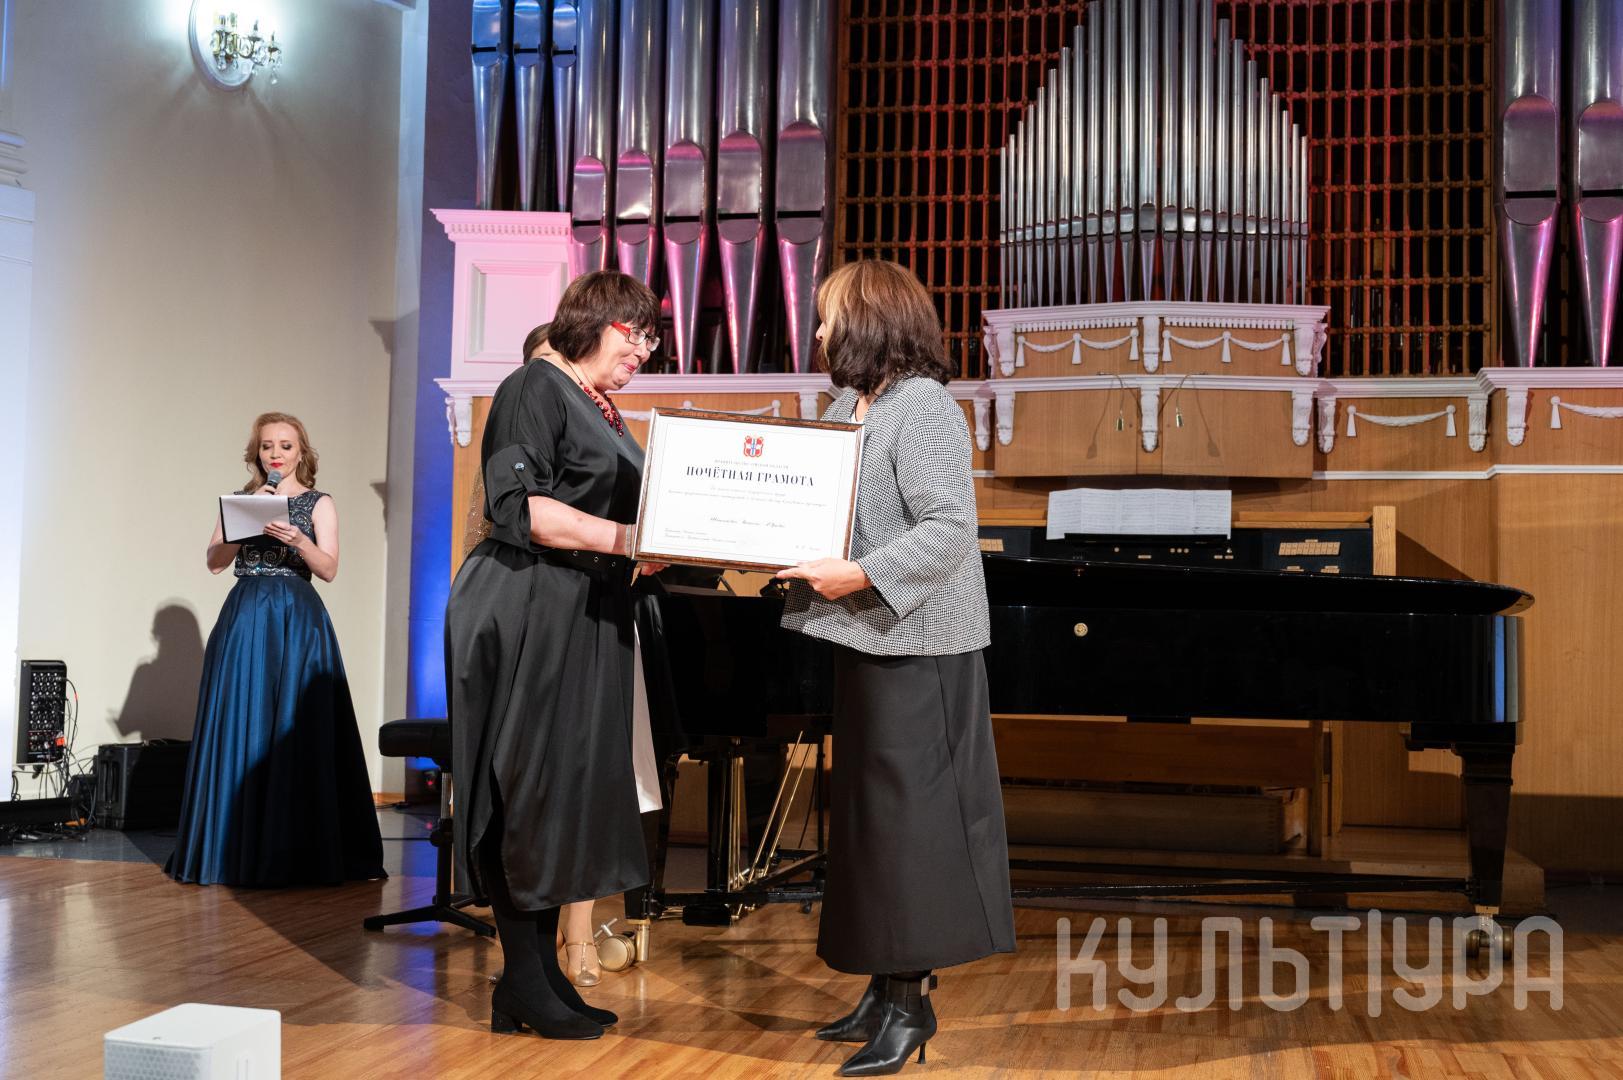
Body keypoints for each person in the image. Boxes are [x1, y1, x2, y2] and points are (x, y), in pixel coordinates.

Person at [777, 260, 1016, 1076]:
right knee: (871, 826)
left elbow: (948, 528)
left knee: (914, 830)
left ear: (868, 320)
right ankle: (882, 991)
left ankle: (910, 1005)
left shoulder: (923, 406)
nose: (817, 332)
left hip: (922, 645)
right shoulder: (848, 405)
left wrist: (859, 573)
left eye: (827, 317)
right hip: (865, 638)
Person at [445, 270, 662, 1040]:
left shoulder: (597, 404)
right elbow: (523, 509)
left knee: (562, 797)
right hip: (527, 605)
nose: (645, 351)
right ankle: (523, 980)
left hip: (582, 608)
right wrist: (630, 539)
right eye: (639, 334)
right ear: (601, 321)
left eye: (650, 339)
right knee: (527, 794)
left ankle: (535, 978)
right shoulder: (533, 386)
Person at [168, 413, 385, 887]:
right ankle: (230, 850)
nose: (276, 454)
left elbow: (329, 569)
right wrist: (242, 524)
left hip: (296, 619)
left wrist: (299, 540)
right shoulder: (241, 501)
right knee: (244, 721)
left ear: (301, 452)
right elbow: (214, 563)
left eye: (286, 446)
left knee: (294, 724)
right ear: (257, 453)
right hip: (247, 616)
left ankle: (298, 850)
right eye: (268, 446)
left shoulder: (319, 502)